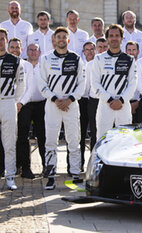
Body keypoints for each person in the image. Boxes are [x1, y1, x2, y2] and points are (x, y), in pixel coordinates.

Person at [38, 27, 85, 190]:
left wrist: (69, 99)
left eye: (64, 37)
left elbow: (81, 83)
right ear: (54, 40)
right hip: (52, 105)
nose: (61, 40)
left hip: (71, 105)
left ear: (68, 40)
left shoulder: (77, 58)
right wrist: (55, 99)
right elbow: (41, 83)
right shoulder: (46, 59)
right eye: (59, 37)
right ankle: (51, 175)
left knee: (74, 140)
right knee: (51, 140)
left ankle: (75, 174)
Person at [91, 24, 137, 139]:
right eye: (111, 35)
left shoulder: (129, 59)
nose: (114, 38)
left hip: (124, 106)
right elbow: (95, 83)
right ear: (107, 38)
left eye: (117, 35)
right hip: (105, 105)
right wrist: (110, 100)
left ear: (122, 38)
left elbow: (132, 83)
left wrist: (121, 100)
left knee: (124, 140)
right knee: (102, 140)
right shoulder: (99, 59)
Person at [0, 28, 25, 190]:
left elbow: (21, 85)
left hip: (8, 102)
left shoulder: (15, 60)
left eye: (2, 38)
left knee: (9, 142)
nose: (0, 41)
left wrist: (13, 101)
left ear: (6, 41)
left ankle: (10, 176)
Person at [16, 43, 46, 178]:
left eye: (36, 50)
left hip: (41, 104)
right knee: (23, 136)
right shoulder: (22, 65)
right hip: (25, 105)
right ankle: (25, 168)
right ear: (26, 52)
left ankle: (46, 166)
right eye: (31, 50)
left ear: (40, 52)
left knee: (43, 135)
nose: (33, 52)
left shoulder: (44, 66)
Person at [87, 37, 108, 151]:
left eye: (105, 47)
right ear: (96, 49)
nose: (103, 49)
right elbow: (87, 86)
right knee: (95, 131)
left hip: (109, 101)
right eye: (100, 47)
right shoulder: (90, 65)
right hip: (94, 101)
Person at [78, 41, 96, 171]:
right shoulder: (80, 64)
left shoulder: (96, 65)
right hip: (79, 101)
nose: (89, 52)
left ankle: (93, 164)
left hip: (91, 100)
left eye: (91, 49)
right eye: (87, 50)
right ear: (83, 52)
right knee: (80, 133)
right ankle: (79, 164)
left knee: (95, 133)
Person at [125, 41, 141, 123]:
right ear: (125, 51)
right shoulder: (122, 65)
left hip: (140, 104)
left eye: (134, 49)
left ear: (138, 51)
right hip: (124, 103)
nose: (131, 52)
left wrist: (137, 102)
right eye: (129, 50)